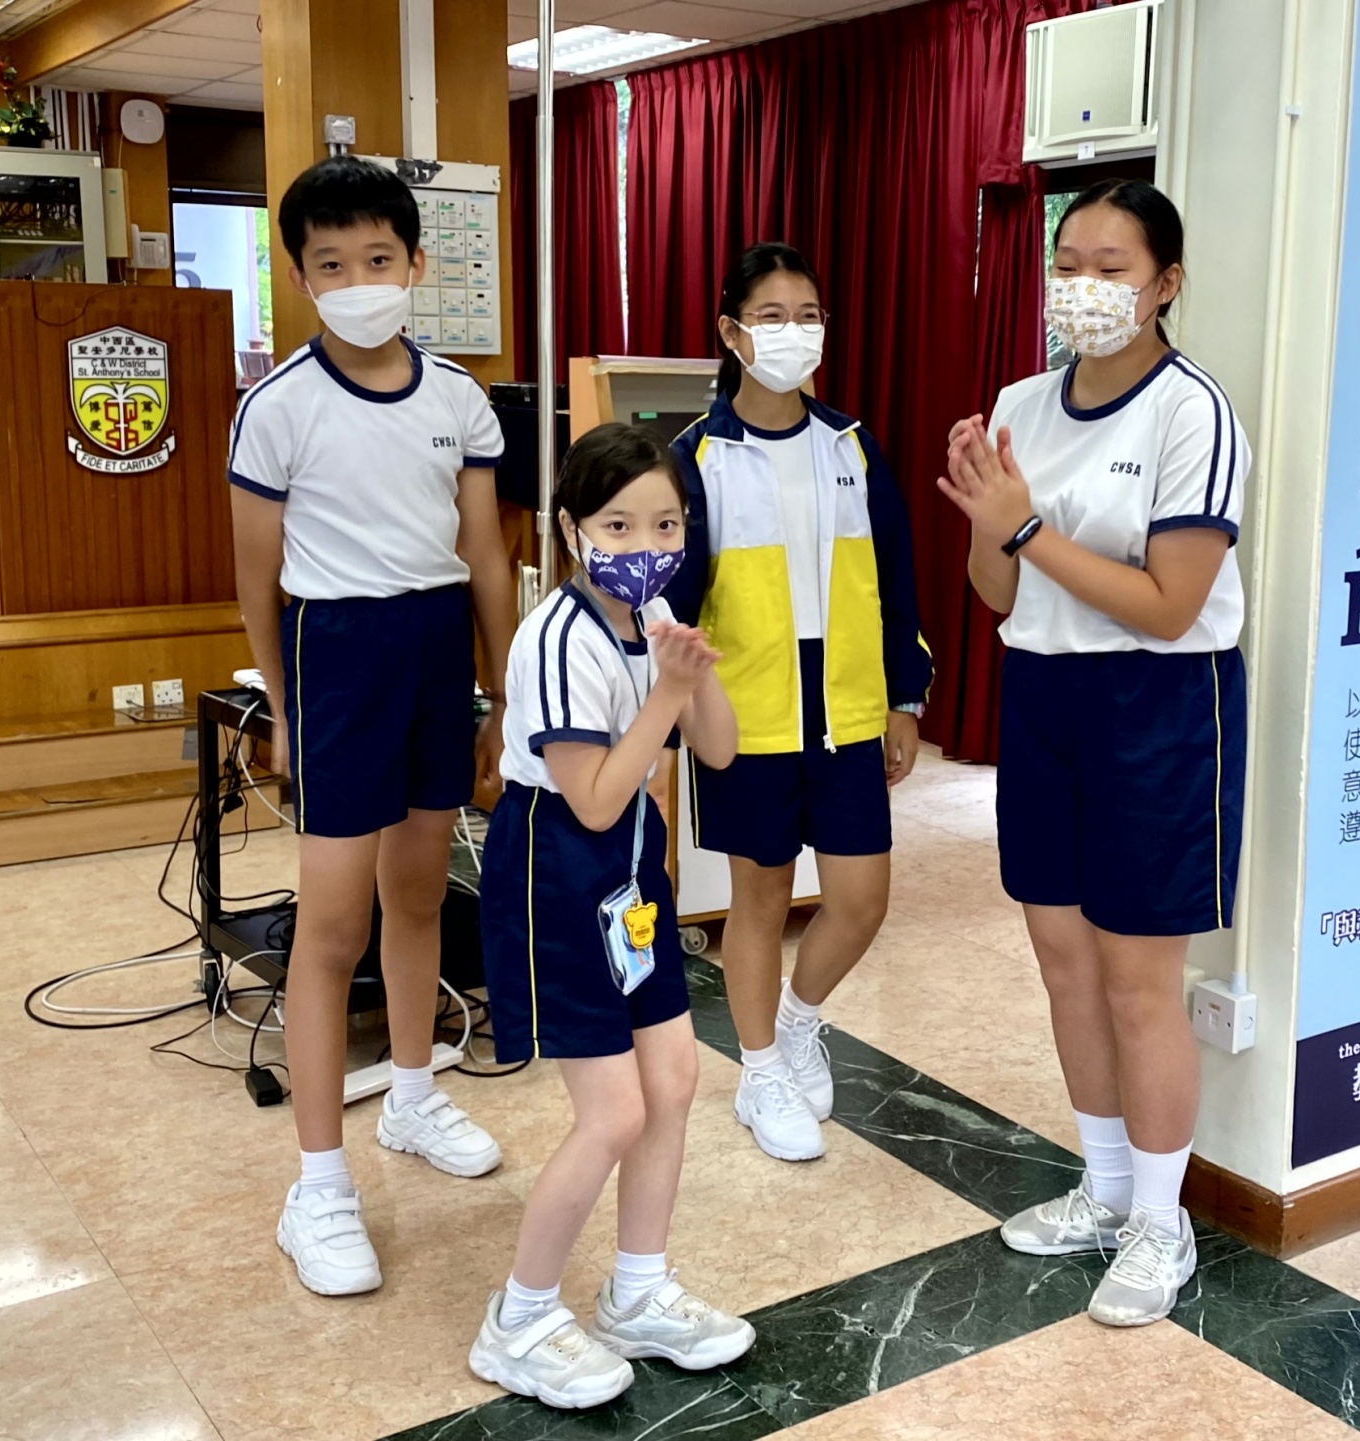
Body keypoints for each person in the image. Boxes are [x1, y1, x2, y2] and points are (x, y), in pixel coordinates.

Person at [939, 180, 1249, 1328]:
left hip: (1158, 704)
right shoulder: (1024, 400)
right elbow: (997, 589)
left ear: (1165, 284)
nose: (1084, 285)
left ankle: (1164, 1224)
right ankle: (1107, 1186)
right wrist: (992, 526)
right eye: (1068, 262)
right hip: (1044, 691)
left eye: (1112, 267)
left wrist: (1026, 525)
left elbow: (1171, 604)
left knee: (1136, 978)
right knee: (1064, 961)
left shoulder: (1192, 412)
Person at [228, 155, 516, 1297]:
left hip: (438, 648)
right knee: (332, 921)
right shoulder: (277, 407)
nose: (358, 281)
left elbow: (484, 554)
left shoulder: (458, 399)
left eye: (378, 259)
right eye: (333, 264)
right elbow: (257, 580)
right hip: (336, 654)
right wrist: (283, 705)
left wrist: (506, 694)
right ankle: (318, 1185)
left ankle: (411, 1093)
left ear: (416, 265)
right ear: (302, 278)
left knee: (419, 892)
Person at [468, 424, 750, 1409]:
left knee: (673, 1078)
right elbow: (590, 798)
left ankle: (637, 1291)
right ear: (570, 530)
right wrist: (666, 695)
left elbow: (720, 749)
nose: (645, 544)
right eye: (618, 525)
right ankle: (519, 1318)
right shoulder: (555, 639)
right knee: (615, 1110)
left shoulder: (658, 613)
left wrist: (692, 675)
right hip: (556, 870)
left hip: (630, 876)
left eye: (666, 524)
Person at [666, 243, 933, 1163]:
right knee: (761, 898)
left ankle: (797, 1019)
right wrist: (678, 716)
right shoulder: (694, 458)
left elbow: (895, 580)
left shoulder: (850, 444)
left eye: (808, 314)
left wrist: (904, 697)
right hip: (749, 717)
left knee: (860, 899)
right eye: (771, 315)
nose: (794, 331)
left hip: (848, 708)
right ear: (731, 332)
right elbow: (674, 605)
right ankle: (760, 1071)